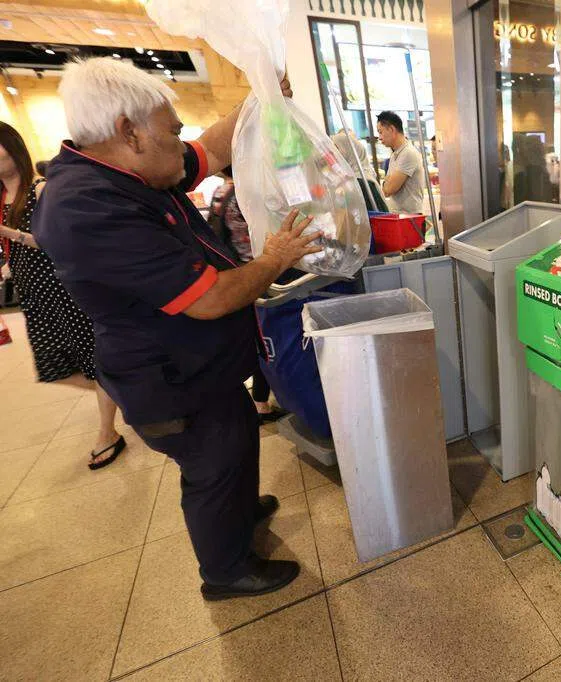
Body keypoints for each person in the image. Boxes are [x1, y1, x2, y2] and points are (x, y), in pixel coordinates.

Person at [33, 57, 321, 600]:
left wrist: (259, 99)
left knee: (235, 439)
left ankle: (240, 512)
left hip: (205, 368)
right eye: (172, 131)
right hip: (168, 380)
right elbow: (209, 299)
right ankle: (226, 571)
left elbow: (209, 149)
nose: (180, 141)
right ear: (130, 133)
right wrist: (274, 258)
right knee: (212, 466)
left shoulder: (137, 167)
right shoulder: (87, 207)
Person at [0, 122, 126, 469]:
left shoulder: (40, 189)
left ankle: (107, 433)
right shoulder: (3, 198)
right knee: (53, 367)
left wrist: (10, 233)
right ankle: (130, 389)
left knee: (92, 360)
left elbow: (57, 241)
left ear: (13, 147)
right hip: (33, 295)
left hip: (61, 289)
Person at [208, 165, 285, 423]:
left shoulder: (220, 192)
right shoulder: (245, 194)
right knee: (265, 337)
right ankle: (262, 402)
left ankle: (260, 398)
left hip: (233, 271)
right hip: (254, 272)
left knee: (255, 336)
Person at [376, 110, 424, 215]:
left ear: (392, 129)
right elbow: (386, 186)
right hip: (400, 215)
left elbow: (388, 189)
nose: (379, 137)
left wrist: (387, 183)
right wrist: (387, 183)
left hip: (411, 218)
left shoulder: (408, 153)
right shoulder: (395, 154)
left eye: (380, 132)